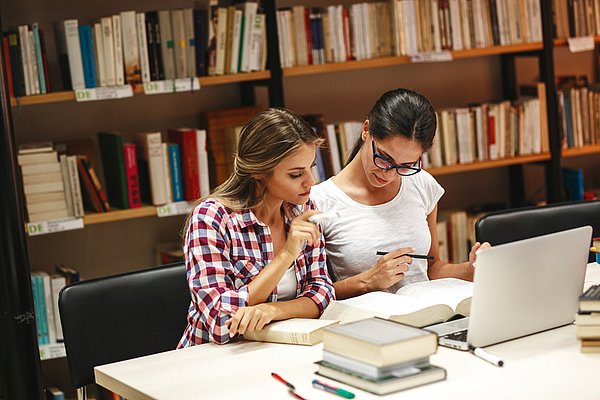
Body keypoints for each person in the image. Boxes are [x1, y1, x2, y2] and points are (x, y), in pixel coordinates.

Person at [311, 88, 489, 300]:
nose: (390, 174)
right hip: (364, 325)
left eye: (406, 165)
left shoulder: (421, 184)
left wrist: (471, 270)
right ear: (366, 130)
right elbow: (310, 295)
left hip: (426, 317)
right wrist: (367, 281)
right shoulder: (320, 202)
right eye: (384, 158)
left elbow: (431, 269)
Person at [178, 108, 335, 347]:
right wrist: (285, 256)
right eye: (295, 174)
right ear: (258, 172)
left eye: (311, 167)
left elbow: (322, 294)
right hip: (215, 358)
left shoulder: (303, 208)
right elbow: (220, 322)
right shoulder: (211, 218)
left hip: (278, 349)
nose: (311, 182)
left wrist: (272, 310)